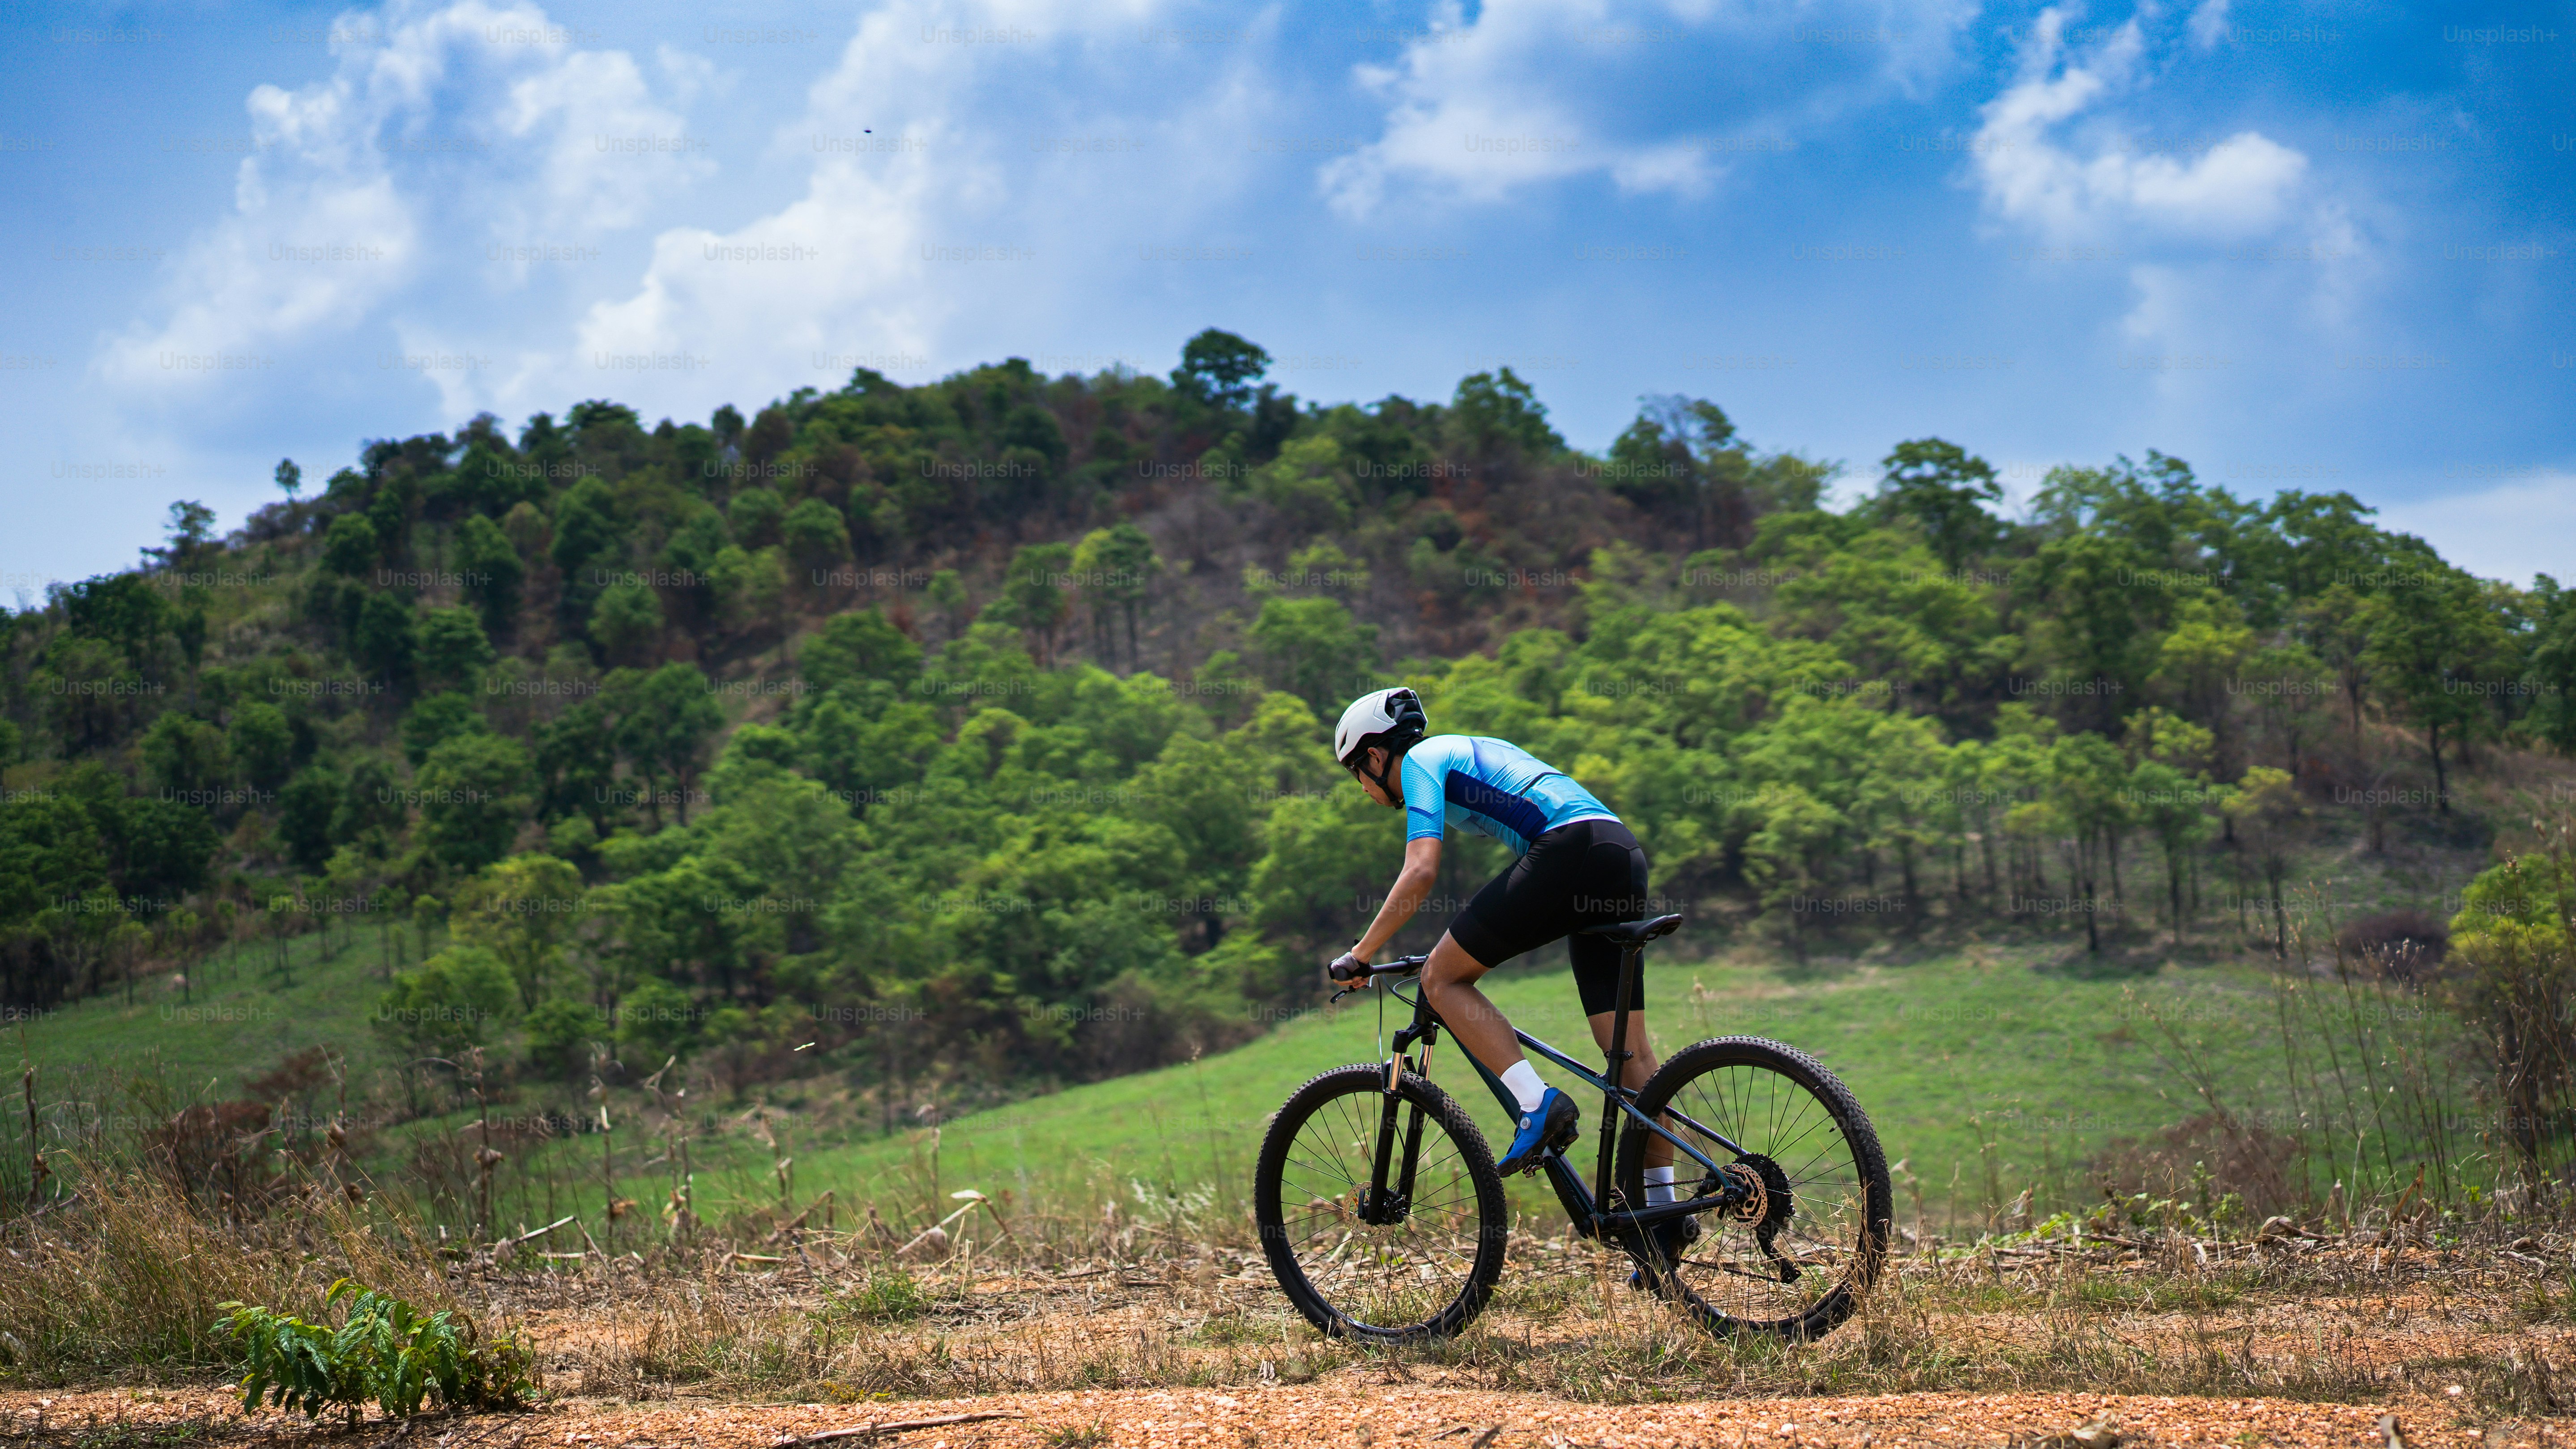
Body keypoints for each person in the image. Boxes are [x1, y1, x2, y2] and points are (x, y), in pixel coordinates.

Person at [1327, 686, 1689, 1257]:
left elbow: (1420, 870)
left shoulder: (1419, 761)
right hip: (1617, 852)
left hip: (1568, 850)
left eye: (1357, 775)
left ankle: (1535, 1102)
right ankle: (1665, 1214)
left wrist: (1363, 952)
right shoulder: (1465, 749)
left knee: (1441, 980)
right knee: (1628, 1054)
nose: (1365, 788)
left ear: (1374, 756)